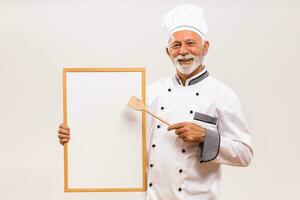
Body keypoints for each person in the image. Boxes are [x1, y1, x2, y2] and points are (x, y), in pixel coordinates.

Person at [58, 4, 253, 200]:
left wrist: (205, 136)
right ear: (168, 52)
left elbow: (245, 154)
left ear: (205, 47)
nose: (183, 51)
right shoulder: (150, 92)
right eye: (176, 45)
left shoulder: (223, 95)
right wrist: (75, 135)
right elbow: (116, 131)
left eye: (190, 43)